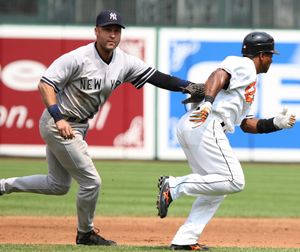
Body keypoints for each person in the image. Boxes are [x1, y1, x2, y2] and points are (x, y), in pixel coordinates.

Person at [0, 10, 202, 246]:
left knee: (58, 185)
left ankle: (3, 186)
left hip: (78, 125)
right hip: (59, 123)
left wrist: (189, 86)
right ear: (96, 31)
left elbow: (157, 77)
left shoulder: (124, 61)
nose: (112, 35)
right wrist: (58, 118)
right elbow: (45, 84)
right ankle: (85, 233)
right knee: (91, 182)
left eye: (116, 30)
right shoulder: (78, 58)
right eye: (107, 29)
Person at [156, 31, 296, 251]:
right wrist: (208, 103)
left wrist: (275, 123)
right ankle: (174, 186)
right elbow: (218, 75)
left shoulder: (249, 82)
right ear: (260, 55)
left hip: (197, 125)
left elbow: (246, 124)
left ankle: (185, 239)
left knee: (217, 188)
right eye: (270, 54)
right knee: (234, 180)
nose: (271, 59)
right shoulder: (244, 65)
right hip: (206, 122)